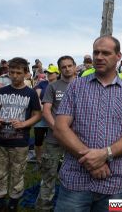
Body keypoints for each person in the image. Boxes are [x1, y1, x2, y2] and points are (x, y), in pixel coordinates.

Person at [53, 36, 122, 211]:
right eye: (96, 52)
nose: (99, 57)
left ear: (118, 56)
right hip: (76, 178)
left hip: (114, 180)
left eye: (106, 53)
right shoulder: (76, 86)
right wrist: (92, 160)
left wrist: (105, 154)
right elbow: (60, 128)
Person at [0, 57, 41, 212]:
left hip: (19, 141)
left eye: (19, 72)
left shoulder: (31, 93)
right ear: (8, 72)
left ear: (26, 73)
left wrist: (24, 124)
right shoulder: (1, 91)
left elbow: (38, 114)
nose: (15, 76)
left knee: (17, 172)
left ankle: (13, 200)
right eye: (12, 72)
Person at [36, 56, 77, 211]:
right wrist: (59, 130)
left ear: (74, 67)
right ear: (60, 69)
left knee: (74, 175)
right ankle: (44, 207)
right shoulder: (53, 86)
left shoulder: (84, 85)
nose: (67, 69)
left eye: (69, 66)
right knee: (49, 174)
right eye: (64, 67)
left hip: (77, 139)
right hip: (55, 138)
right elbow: (46, 111)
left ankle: (70, 206)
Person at [33, 65, 60, 164]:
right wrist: (42, 108)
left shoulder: (61, 85)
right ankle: (39, 159)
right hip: (41, 115)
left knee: (54, 140)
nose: (48, 74)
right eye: (47, 72)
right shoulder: (42, 84)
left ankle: (54, 159)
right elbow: (37, 96)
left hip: (55, 116)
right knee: (38, 139)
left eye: (51, 73)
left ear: (57, 74)